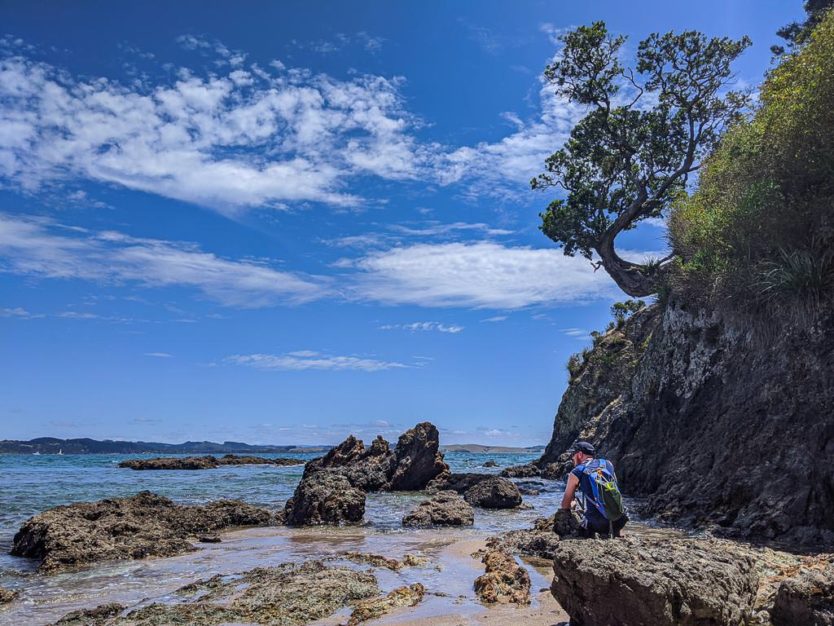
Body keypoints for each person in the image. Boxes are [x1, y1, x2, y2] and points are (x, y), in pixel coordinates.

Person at [558, 441, 627, 538]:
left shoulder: (577, 471)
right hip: (620, 518)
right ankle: (616, 531)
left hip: (597, 524)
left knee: (564, 520)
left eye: (573, 454)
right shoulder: (607, 464)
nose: (572, 457)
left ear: (580, 454)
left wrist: (572, 504)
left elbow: (565, 505)